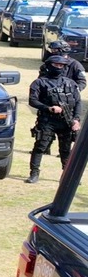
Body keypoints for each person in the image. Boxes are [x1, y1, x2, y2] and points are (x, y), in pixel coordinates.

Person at [27, 55, 82, 183]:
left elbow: (78, 102)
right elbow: (33, 101)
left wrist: (76, 120)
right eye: (56, 65)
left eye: (61, 65)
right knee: (40, 146)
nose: (59, 67)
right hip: (47, 121)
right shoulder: (39, 83)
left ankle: (67, 175)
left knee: (66, 150)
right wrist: (48, 108)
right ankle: (34, 173)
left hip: (67, 122)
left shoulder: (70, 83)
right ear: (49, 66)